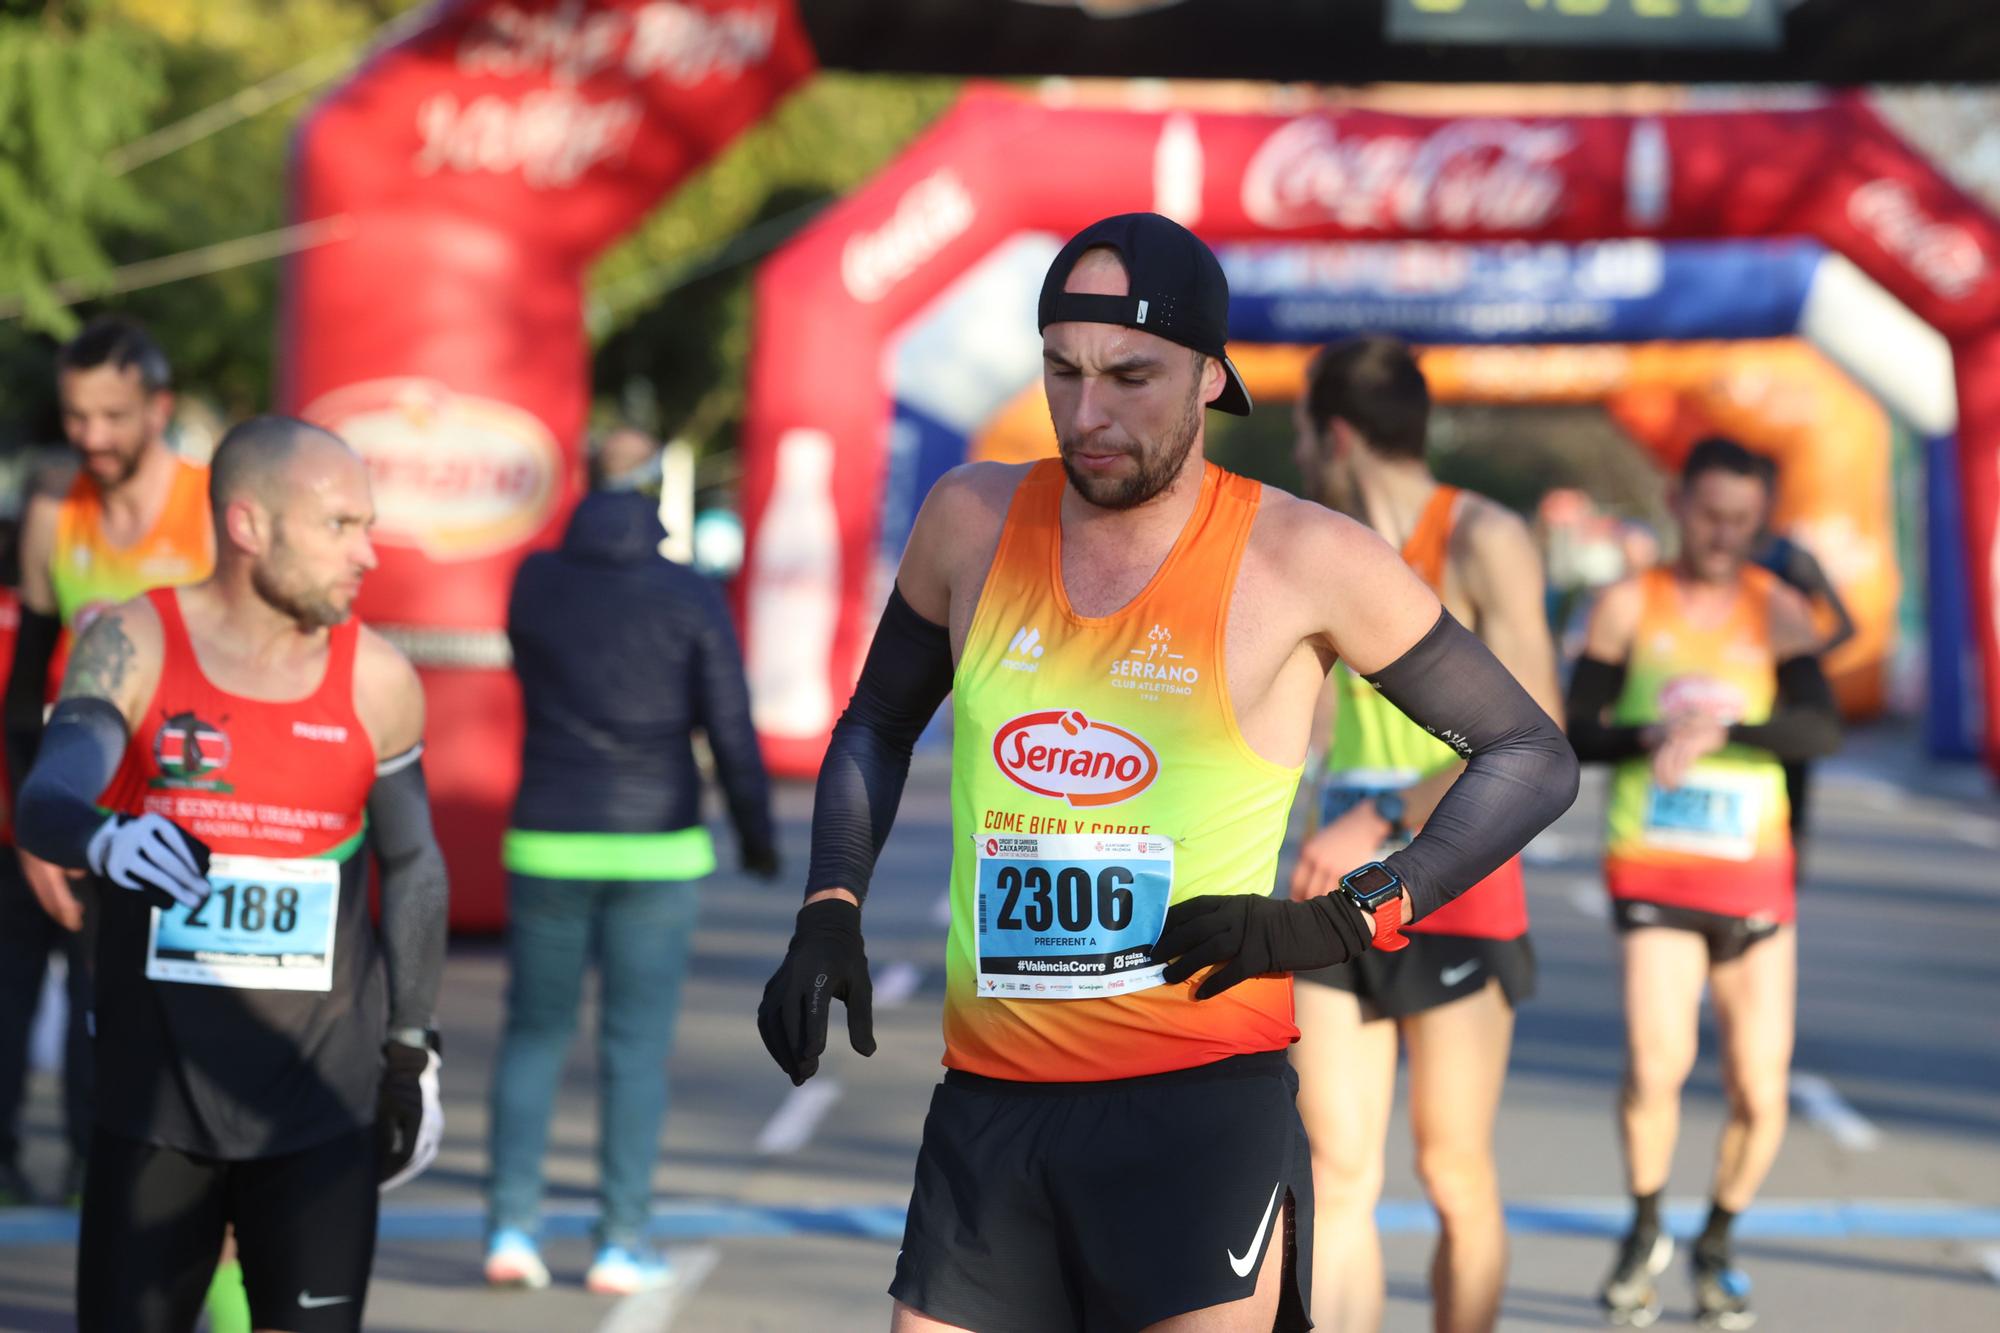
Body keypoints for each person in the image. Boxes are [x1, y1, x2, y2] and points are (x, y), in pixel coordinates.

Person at [757, 212, 1578, 1333]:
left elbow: (1528, 754)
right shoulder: (969, 520)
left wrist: (1343, 920)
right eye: (1060, 371)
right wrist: (827, 909)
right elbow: (875, 723)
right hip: (992, 1108)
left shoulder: (1303, 556)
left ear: (1207, 379)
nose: (1085, 413)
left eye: (1130, 376)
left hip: (1196, 1109)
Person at [15, 415, 450, 1333]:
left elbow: (414, 863)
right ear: (249, 525)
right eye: (340, 525)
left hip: (320, 1112)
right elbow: (48, 794)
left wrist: (413, 1051)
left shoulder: (377, 679)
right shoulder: (133, 643)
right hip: (153, 1111)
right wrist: (103, 840)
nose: (366, 553)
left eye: (368, 525)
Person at [1288, 336, 1563, 1333]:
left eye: (1304, 432)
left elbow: (1541, 739)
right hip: (1331, 891)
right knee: (1336, 1170)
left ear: (1339, 433)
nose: (1300, 453)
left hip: (1456, 883)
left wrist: (1387, 812)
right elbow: (1307, 733)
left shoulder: (1483, 536)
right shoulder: (1316, 549)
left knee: (1451, 1171)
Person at [1566, 437, 1839, 1331]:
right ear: (1677, 501)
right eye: (1712, 514)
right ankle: (1646, 1227)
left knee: (1761, 1089)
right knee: (1659, 1063)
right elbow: (1577, 729)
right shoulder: (1627, 602)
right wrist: (1653, 734)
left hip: (1756, 873)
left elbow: (1817, 731)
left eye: (1744, 521)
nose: (1725, 535)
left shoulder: (1778, 609)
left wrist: (1725, 734)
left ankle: (1717, 1241)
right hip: (1652, 861)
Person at [483, 474, 777, 1295]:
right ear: (655, 535)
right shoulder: (687, 594)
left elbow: (525, 664)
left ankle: (510, 1227)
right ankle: (618, 1240)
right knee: (635, 1049)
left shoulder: (534, 582)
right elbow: (729, 720)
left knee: (532, 1035)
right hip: (657, 848)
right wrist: (758, 839)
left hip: (546, 837)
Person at [1, 317, 215, 1209]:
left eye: (113, 415)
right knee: (11, 981)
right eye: (76, 414)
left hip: (167, 806)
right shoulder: (57, 511)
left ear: (158, 407)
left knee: (114, 1005)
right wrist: (29, 824)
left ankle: (105, 1163)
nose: (91, 435)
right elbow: (24, 683)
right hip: (58, 790)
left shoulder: (211, 509)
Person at [1747, 455, 1854, 853]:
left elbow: (1847, 625)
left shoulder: (1792, 558)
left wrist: (1801, 661)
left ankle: (1785, 883)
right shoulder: (1721, 559)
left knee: (1791, 811)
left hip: (1787, 704)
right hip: (1736, 696)